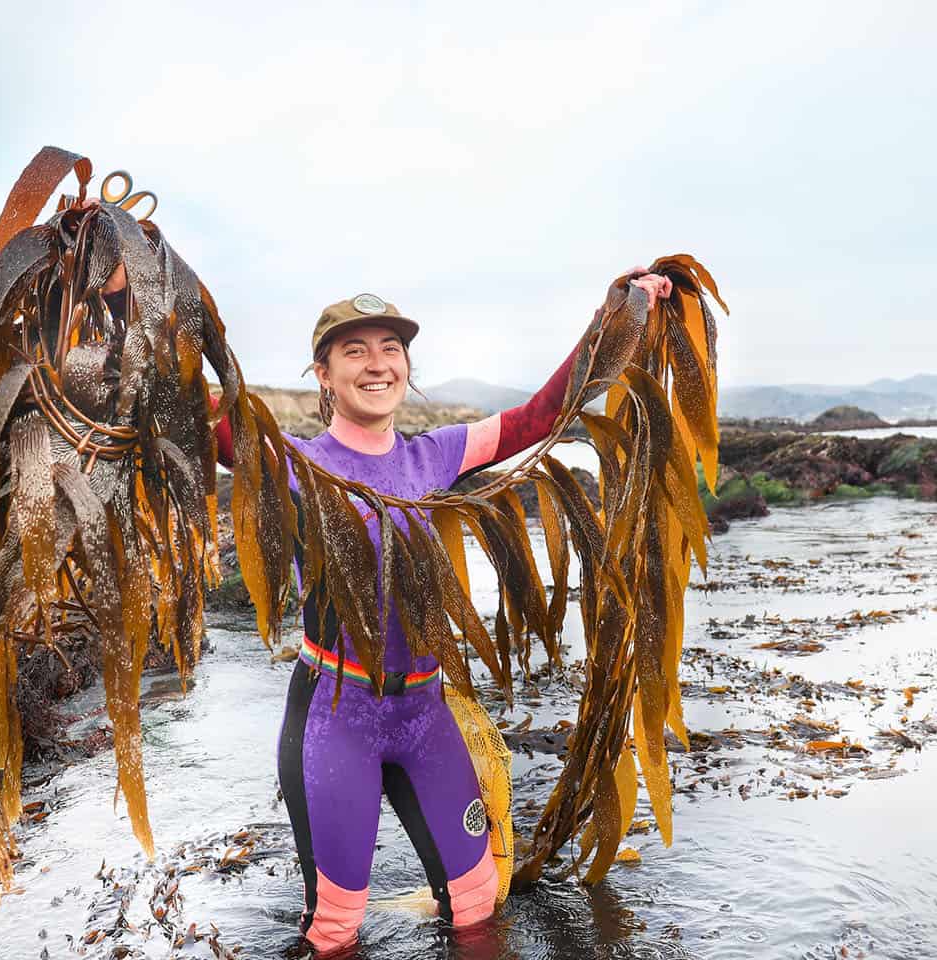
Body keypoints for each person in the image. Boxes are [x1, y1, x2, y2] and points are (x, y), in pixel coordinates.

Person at [114, 264, 673, 954]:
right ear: (322, 374)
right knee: (336, 930)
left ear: (407, 365)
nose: (376, 364)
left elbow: (541, 415)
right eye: (354, 350)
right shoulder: (292, 461)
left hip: (424, 715)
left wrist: (618, 314)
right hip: (334, 718)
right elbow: (189, 403)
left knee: (476, 911)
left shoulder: (435, 456)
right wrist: (120, 291)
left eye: (390, 348)